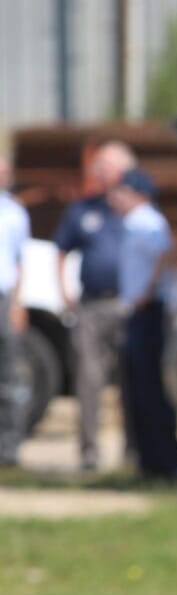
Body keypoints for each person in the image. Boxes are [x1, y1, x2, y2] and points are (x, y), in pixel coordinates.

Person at [54, 140, 137, 471]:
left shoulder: (135, 209)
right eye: (98, 166)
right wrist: (64, 292)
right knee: (89, 379)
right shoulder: (83, 209)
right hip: (91, 305)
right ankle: (89, 451)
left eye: (106, 166)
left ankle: (134, 450)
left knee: (132, 379)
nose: (99, 172)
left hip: (127, 305)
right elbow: (61, 249)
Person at [107, 168, 177, 480]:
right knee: (138, 389)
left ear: (137, 194)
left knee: (151, 388)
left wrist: (147, 292)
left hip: (148, 311)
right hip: (138, 310)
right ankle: (149, 462)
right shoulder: (134, 222)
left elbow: (164, 254)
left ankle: (168, 462)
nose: (114, 198)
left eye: (120, 191)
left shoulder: (146, 221)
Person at [0, 155, 31, 467]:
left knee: (8, 376)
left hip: (4, 296)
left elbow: (20, 261)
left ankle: (8, 448)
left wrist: (18, 303)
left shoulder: (15, 211)